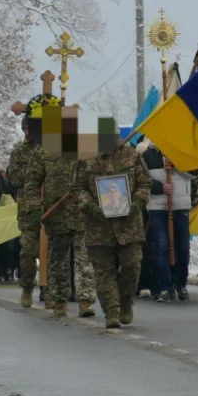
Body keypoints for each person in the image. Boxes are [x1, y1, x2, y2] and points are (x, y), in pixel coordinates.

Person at [21, 110, 97, 318]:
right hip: (57, 214)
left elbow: (96, 175)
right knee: (58, 260)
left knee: (84, 259)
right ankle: (60, 300)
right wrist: (35, 208)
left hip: (82, 212)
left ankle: (85, 300)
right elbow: (32, 182)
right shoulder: (44, 151)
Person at [76, 138, 151, 328]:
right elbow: (78, 189)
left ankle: (125, 301)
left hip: (129, 225)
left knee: (132, 266)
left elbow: (144, 183)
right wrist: (90, 207)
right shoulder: (86, 159)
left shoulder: (132, 156)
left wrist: (137, 204)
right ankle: (111, 311)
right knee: (103, 272)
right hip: (98, 227)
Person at [143, 143, 193, 302]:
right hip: (157, 207)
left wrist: (176, 163)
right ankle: (165, 287)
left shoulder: (182, 151)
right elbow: (141, 181)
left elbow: (194, 174)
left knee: (182, 248)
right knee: (162, 246)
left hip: (180, 206)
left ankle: (181, 284)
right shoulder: (147, 156)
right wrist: (160, 187)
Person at [7, 118, 42, 307]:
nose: (27, 132)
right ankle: (27, 287)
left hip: (50, 208)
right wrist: (34, 172)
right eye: (25, 128)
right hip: (28, 209)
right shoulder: (19, 152)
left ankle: (50, 289)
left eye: (31, 128)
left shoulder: (49, 148)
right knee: (28, 252)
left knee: (52, 253)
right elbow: (13, 178)